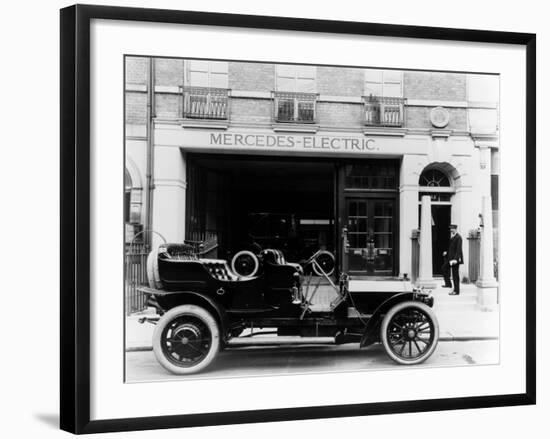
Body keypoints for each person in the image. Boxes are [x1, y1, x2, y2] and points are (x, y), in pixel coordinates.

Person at [442, 224, 463, 295]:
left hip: (454, 259)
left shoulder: (458, 237)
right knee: (444, 268)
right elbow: (451, 249)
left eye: (452, 229)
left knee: (455, 275)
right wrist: (446, 253)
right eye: (450, 229)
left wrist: (455, 260)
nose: (451, 230)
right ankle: (448, 284)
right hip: (449, 258)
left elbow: (458, 250)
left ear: (455, 229)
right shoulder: (453, 237)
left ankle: (456, 291)